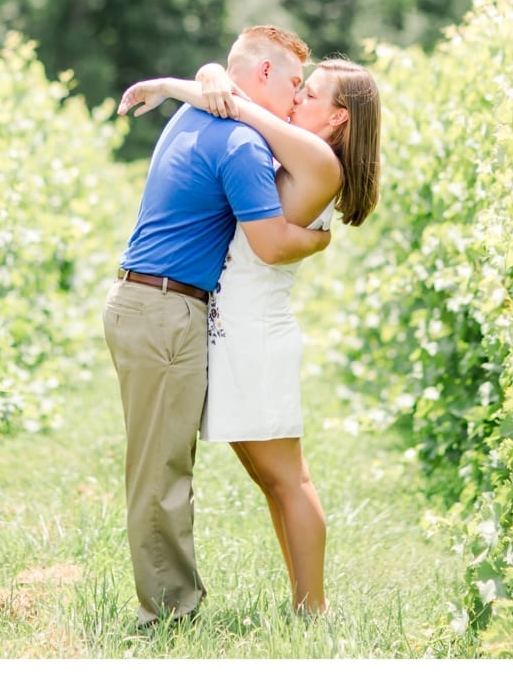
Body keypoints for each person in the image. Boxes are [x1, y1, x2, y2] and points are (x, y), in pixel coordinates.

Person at [118, 55, 382, 616]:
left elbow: (237, 107)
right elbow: (233, 101)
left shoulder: (314, 156)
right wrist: (212, 70)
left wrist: (178, 83)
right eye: (298, 88)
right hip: (235, 333)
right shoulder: (296, 149)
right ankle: (303, 605)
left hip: (256, 335)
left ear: (338, 118)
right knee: (273, 481)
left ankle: (314, 612)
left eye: (310, 95)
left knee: (289, 480)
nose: (297, 99)